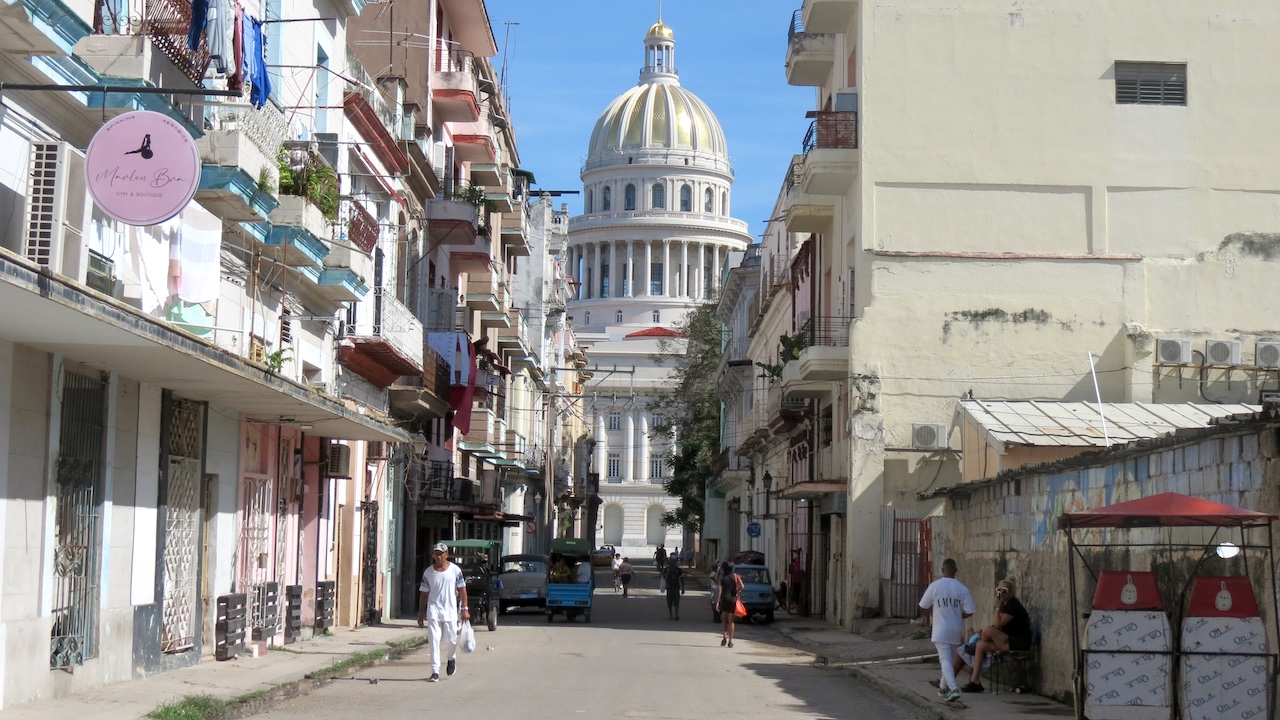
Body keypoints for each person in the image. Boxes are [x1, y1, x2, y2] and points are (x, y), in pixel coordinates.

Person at [918, 558, 975, 703]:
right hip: (956, 629)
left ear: (942, 571)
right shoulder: (962, 588)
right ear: (955, 571)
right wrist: (958, 615)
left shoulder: (935, 586)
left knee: (944, 660)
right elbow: (970, 610)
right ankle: (943, 688)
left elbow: (923, 605)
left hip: (940, 629)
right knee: (949, 659)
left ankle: (953, 688)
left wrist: (937, 609)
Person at [963, 577, 1032, 693]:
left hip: (1018, 642)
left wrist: (997, 608)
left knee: (988, 631)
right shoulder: (1006, 606)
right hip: (1007, 641)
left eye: (1004, 591)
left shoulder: (1013, 606)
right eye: (999, 590)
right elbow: (997, 626)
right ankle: (975, 681)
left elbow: (997, 625)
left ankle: (977, 639)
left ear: (1011, 592)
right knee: (981, 646)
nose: (1001, 594)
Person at [417, 542, 470, 683]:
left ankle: (451, 658)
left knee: (450, 641)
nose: (438, 556)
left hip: (450, 610)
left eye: (441, 554)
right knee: (433, 641)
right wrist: (421, 614)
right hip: (434, 610)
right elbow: (424, 594)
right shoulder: (428, 573)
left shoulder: (455, 571)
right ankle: (435, 672)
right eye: (436, 554)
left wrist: (465, 609)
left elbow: (462, 590)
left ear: (446, 555)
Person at [714, 561, 745, 648]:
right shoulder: (736, 576)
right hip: (732, 599)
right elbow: (742, 586)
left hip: (724, 599)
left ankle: (724, 637)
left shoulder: (722, 578)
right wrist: (737, 590)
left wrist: (717, 602)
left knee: (724, 619)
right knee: (731, 621)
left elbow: (720, 591)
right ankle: (730, 641)